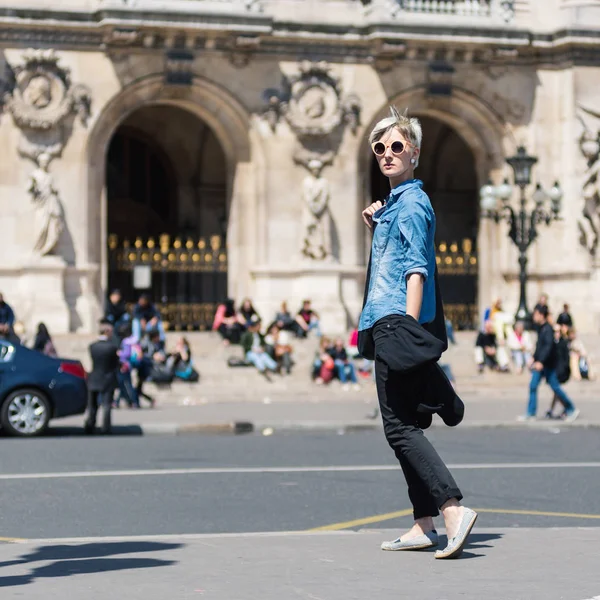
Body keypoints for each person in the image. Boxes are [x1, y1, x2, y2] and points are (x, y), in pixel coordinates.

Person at [358, 106, 475, 559]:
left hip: (394, 322)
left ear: (415, 154)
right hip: (385, 321)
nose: (387, 153)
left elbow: (415, 269)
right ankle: (422, 524)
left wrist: (406, 325)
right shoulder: (396, 205)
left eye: (396, 146)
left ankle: (451, 510)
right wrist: (376, 219)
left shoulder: (410, 203)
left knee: (400, 429)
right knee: (404, 424)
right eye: (380, 147)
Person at [519, 305, 579, 422]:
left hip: (546, 364)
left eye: (536, 314)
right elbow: (540, 347)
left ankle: (570, 408)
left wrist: (540, 361)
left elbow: (548, 347)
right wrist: (533, 358)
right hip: (542, 363)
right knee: (534, 385)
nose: (534, 317)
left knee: (554, 387)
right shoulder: (542, 328)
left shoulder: (547, 329)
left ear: (541, 315)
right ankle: (531, 412)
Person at [85, 320, 120, 434]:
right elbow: (115, 364)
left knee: (92, 405)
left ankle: (90, 424)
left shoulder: (92, 346)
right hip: (108, 378)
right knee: (106, 405)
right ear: (107, 332)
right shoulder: (112, 348)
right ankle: (105, 427)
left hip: (94, 378)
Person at [545, 324, 572, 419]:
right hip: (554, 370)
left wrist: (564, 370)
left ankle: (568, 407)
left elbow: (566, 359)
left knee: (557, 390)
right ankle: (553, 409)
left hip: (560, 371)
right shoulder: (552, 343)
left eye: (557, 332)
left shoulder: (562, 343)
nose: (556, 334)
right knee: (556, 391)